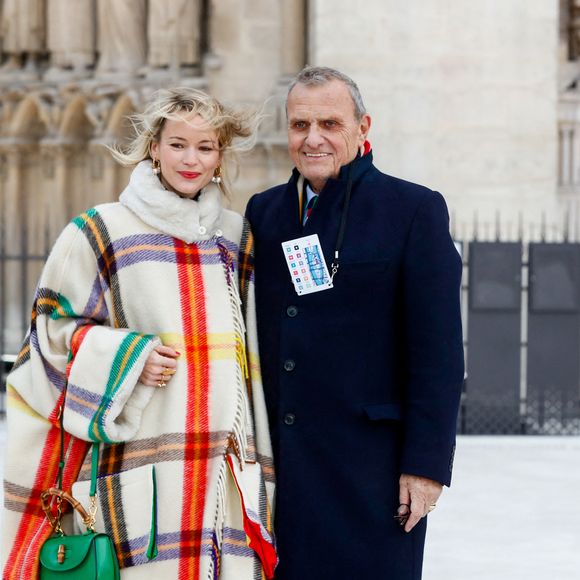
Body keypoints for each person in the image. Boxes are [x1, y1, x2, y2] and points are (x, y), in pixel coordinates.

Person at [2, 88, 277, 579]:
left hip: (227, 474)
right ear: (154, 146)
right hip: (141, 468)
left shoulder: (238, 238)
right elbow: (48, 335)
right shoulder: (99, 230)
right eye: (177, 144)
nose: (191, 159)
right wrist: (127, 357)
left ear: (220, 156)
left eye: (206, 147)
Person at [245, 66, 464, 580]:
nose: (313, 138)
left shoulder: (413, 210)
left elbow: (439, 353)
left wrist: (427, 466)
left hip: (373, 473)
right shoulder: (265, 211)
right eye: (300, 125)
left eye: (330, 123)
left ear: (363, 127)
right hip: (281, 469)